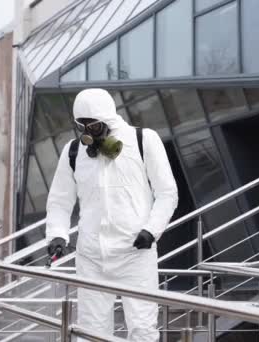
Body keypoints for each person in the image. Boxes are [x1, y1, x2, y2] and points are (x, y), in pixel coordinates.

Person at [45, 88, 178, 341]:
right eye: (81, 126)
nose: (87, 132)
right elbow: (60, 201)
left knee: (143, 329)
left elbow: (167, 193)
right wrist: (57, 235)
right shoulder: (74, 151)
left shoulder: (143, 139)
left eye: (92, 126)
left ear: (106, 118)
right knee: (91, 332)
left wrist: (152, 230)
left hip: (135, 254)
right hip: (91, 256)